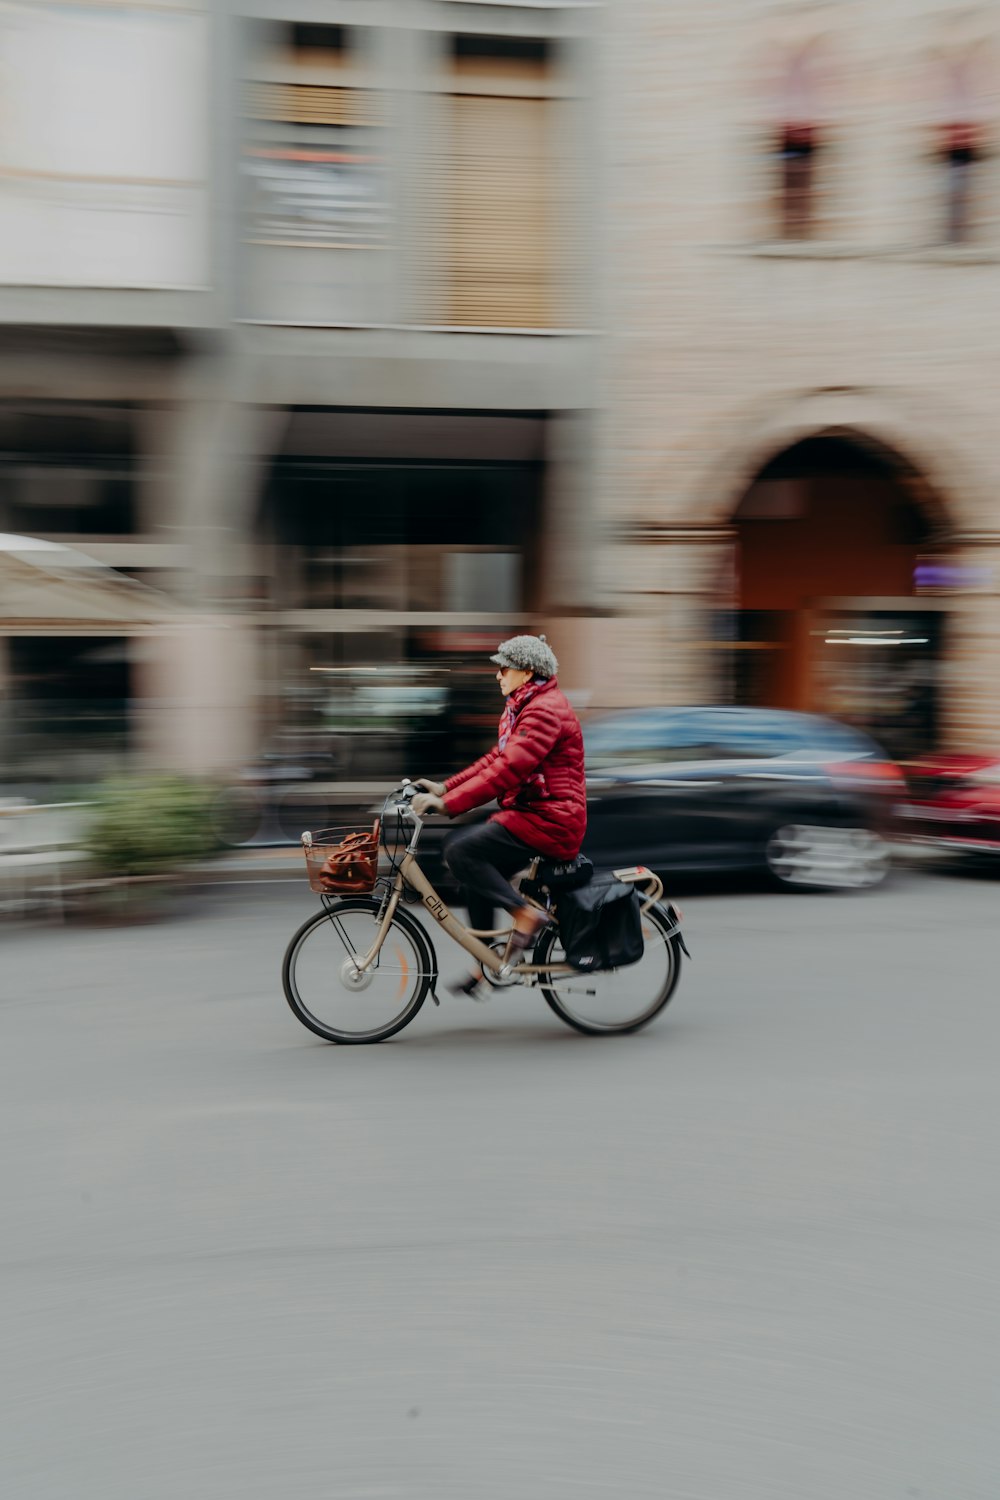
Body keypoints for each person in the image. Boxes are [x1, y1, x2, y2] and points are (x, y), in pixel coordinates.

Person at [411, 634, 587, 993]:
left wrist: (449, 805)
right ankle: (491, 963)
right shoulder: (523, 707)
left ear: (527, 671)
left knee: (461, 851)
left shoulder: (545, 710)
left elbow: (509, 771)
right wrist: (446, 787)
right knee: (474, 871)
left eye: (503, 668)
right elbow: (497, 758)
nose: (497, 675)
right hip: (532, 812)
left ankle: (525, 914)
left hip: (552, 819)